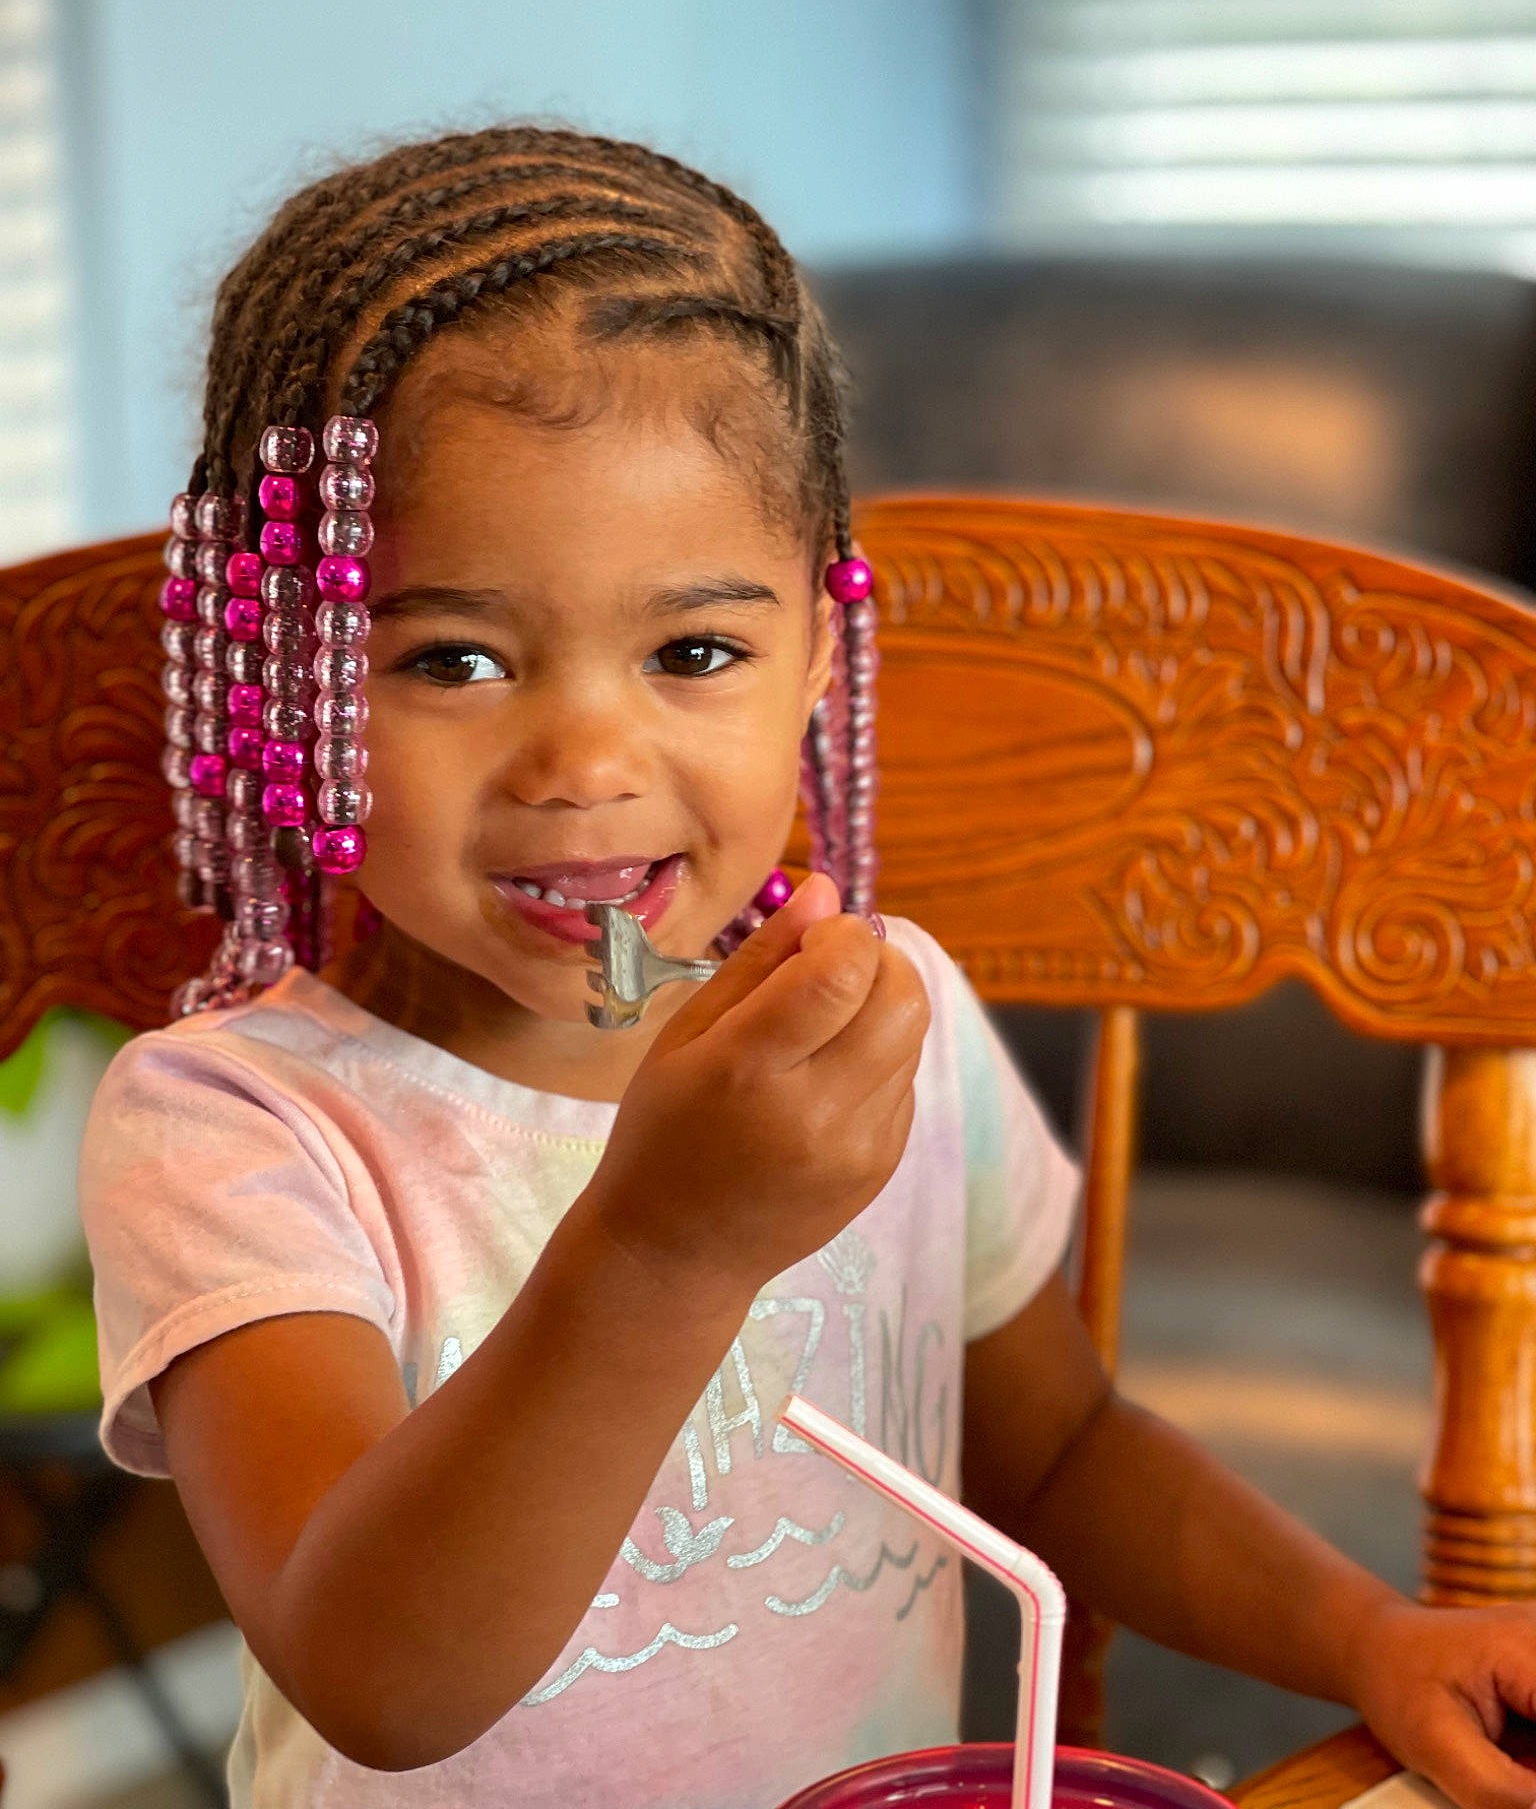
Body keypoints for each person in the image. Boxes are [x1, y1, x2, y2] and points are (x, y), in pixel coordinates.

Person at [81, 126, 1536, 1809]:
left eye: (694, 650)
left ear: (815, 658)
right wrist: (660, 1246)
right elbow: (381, 1679)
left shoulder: (876, 1020)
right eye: (455, 657)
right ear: (284, 674)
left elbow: (1057, 1449)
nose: (582, 757)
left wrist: (1370, 1639)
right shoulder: (233, 1131)